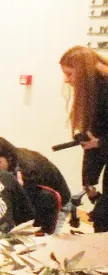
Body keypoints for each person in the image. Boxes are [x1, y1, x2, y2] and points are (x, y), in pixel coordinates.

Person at [59, 45, 108, 232]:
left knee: (103, 218)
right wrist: (89, 182)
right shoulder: (96, 92)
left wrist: (100, 143)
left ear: (83, 72)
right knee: (102, 218)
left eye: (69, 74)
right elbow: (92, 139)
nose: (66, 80)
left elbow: (96, 140)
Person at [0, 136, 71, 234]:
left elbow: (26, 210)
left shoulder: (26, 171)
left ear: (8, 157)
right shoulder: (10, 161)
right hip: (41, 200)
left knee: (43, 240)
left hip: (57, 204)